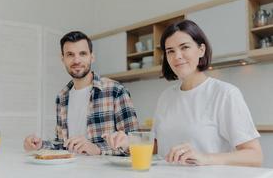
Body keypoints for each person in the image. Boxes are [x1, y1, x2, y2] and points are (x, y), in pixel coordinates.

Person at [104, 20, 263, 166]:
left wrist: (205, 158)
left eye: (184, 47)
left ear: (201, 50)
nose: (177, 56)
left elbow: (255, 156)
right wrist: (129, 142)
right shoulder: (166, 97)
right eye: (170, 51)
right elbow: (158, 146)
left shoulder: (225, 94)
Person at [23, 31, 139, 155]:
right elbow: (63, 144)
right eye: (70, 54)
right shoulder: (61, 97)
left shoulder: (116, 91)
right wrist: (40, 145)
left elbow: (135, 144)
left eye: (82, 54)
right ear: (63, 59)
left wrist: (98, 149)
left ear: (92, 57)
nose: (76, 60)